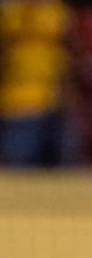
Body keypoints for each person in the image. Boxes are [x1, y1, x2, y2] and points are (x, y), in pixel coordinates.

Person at [0, 0, 79, 167]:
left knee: (62, 169)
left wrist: (70, 96)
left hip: (55, 102)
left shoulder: (56, 11)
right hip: (17, 104)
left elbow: (73, 52)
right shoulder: (9, 13)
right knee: (20, 168)